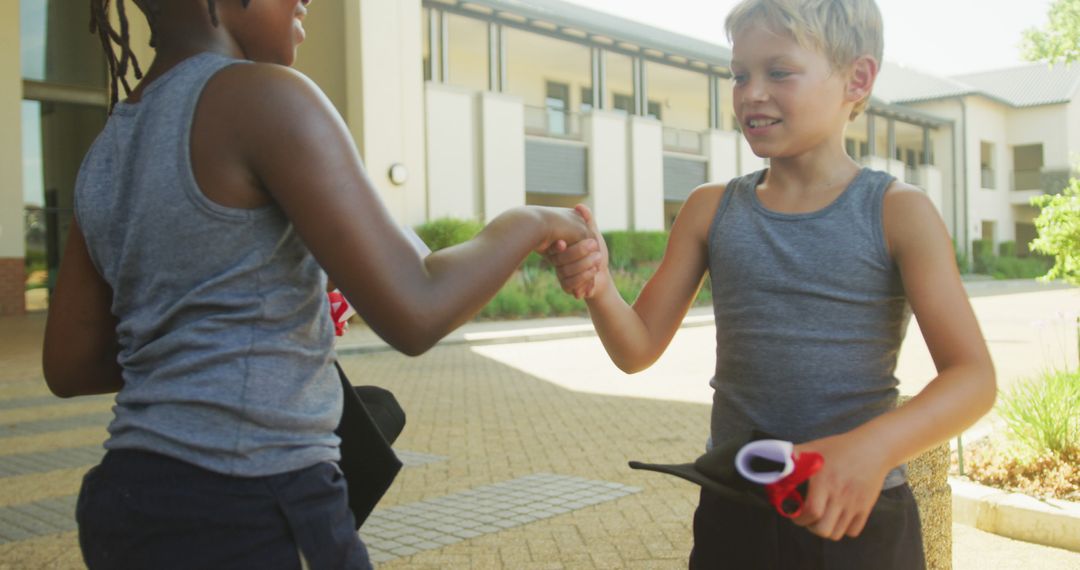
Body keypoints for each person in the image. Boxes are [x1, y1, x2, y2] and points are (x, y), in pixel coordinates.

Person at [42, 1, 596, 568]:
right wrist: (533, 222)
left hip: (126, 503)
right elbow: (417, 307)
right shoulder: (266, 97)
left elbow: (70, 364)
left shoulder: (109, 146)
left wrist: (254, 320)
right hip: (250, 499)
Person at [548, 0, 995, 567]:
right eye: (739, 75)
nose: (750, 92)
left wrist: (872, 449)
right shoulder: (710, 210)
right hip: (736, 514)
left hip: (856, 516)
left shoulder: (897, 212)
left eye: (778, 71)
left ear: (856, 79)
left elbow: (973, 378)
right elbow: (635, 350)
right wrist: (599, 285)